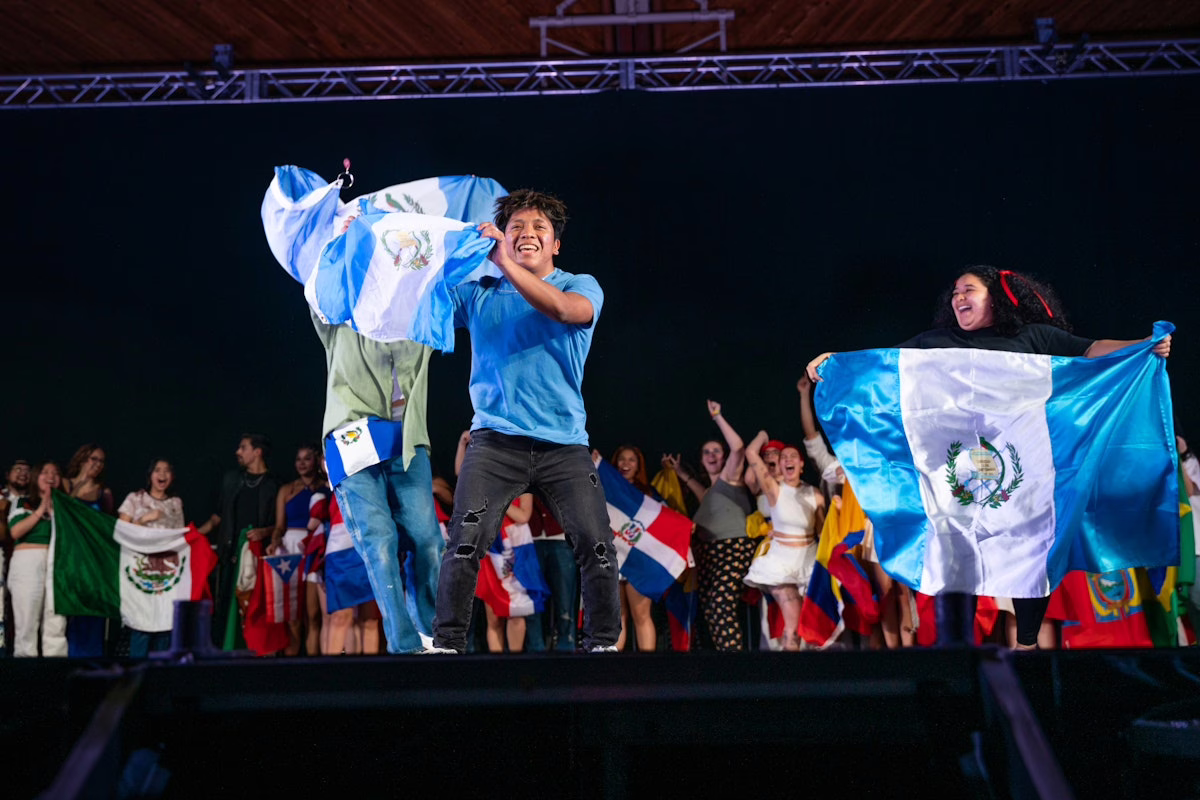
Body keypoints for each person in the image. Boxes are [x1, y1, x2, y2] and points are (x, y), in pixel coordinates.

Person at [806, 266, 1172, 649]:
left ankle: (1027, 642)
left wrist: (1142, 344)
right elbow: (881, 364)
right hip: (953, 474)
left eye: (969, 289)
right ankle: (958, 657)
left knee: (1030, 547)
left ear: (996, 297)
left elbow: (1089, 349)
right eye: (955, 292)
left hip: (1022, 470)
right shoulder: (935, 342)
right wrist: (836, 360)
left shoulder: (1031, 338)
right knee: (952, 550)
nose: (958, 297)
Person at [432, 189, 620, 654]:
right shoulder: (480, 292)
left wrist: (501, 262)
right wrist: (385, 246)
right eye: (515, 227)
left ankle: (601, 645)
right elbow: (421, 299)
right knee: (463, 542)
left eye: (539, 227)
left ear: (556, 244)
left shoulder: (581, 284)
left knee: (596, 545)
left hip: (564, 445)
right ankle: (448, 644)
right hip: (495, 443)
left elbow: (561, 311)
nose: (526, 234)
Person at [311, 304, 443, 655]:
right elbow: (316, 273)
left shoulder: (420, 312)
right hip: (351, 436)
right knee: (380, 542)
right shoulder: (340, 312)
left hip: (406, 439)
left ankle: (431, 636)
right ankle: (405, 645)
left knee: (429, 540)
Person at [668, 400, 754, 652]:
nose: (712, 455)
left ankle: (734, 663)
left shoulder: (731, 478)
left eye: (717, 451)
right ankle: (724, 660)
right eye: (707, 452)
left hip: (732, 548)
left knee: (720, 603)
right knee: (710, 609)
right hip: (707, 554)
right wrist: (680, 472)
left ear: (724, 457)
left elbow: (738, 447)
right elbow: (698, 489)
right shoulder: (709, 492)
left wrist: (717, 416)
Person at [197, 434, 281, 649]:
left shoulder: (274, 485)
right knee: (227, 604)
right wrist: (194, 535)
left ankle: (255, 650)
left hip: (258, 556)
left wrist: (265, 532)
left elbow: (281, 524)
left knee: (254, 606)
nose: (238, 452)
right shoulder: (232, 480)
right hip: (230, 554)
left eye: (243, 447)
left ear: (257, 452)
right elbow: (218, 516)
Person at [743, 433, 825, 650]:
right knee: (793, 626)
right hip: (780, 565)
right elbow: (751, 453)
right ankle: (790, 680)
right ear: (780, 465)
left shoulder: (814, 494)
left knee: (811, 632)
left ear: (801, 464)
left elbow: (823, 532)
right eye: (784, 457)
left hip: (808, 562)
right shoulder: (774, 489)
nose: (788, 459)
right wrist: (761, 435)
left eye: (793, 456)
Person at [117, 459, 186, 656]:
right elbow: (122, 530)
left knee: (165, 622)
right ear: (150, 475)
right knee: (142, 622)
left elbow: (180, 537)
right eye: (157, 470)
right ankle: (136, 677)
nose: (162, 474)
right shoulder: (135, 499)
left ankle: (161, 676)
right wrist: (144, 519)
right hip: (140, 570)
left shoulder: (175, 503)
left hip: (167, 572)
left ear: (172, 477)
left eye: (167, 470)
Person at [267, 443, 329, 656]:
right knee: (292, 612)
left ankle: (314, 665)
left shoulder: (327, 488)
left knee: (313, 614)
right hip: (290, 549)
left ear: (317, 461)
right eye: (298, 459)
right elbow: (279, 526)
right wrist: (275, 541)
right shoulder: (286, 489)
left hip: (317, 547)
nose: (302, 463)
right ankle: (289, 665)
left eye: (307, 458)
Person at [8, 462, 68, 656]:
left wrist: (55, 510)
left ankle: (56, 671)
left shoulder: (65, 507)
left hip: (56, 563)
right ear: (36, 477)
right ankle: (25, 674)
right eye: (45, 472)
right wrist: (42, 507)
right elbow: (16, 531)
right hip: (28, 561)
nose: (51, 476)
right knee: (27, 620)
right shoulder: (23, 501)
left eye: (55, 473)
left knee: (56, 620)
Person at [63, 444, 115, 656]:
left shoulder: (104, 492)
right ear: (82, 459)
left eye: (101, 461)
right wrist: (81, 482)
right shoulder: (66, 484)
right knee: (70, 613)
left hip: (93, 561)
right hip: (71, 558)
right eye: (93, 459)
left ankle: (92, 664)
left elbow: (108, 525)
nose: (97, 464)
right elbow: (65, 507)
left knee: (93, 614)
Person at [610, 445, 660, 652]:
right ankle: (612, 671)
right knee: (617, 616)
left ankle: (648, 670)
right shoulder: (606, 489)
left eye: (631, 460)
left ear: (638, 465)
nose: (626, 464)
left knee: (641, 615)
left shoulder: (648, 493)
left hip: (639, 561)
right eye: (622, 459)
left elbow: (664, 521)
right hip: (614, 559)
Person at [0, 459, 31, 654]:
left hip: (24, 562)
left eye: (27, 470)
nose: (22, 473)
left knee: (22, 612)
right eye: (17, 469)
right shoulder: (0, 497)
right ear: (7, 474)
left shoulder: (33, 501)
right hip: (1, 557)